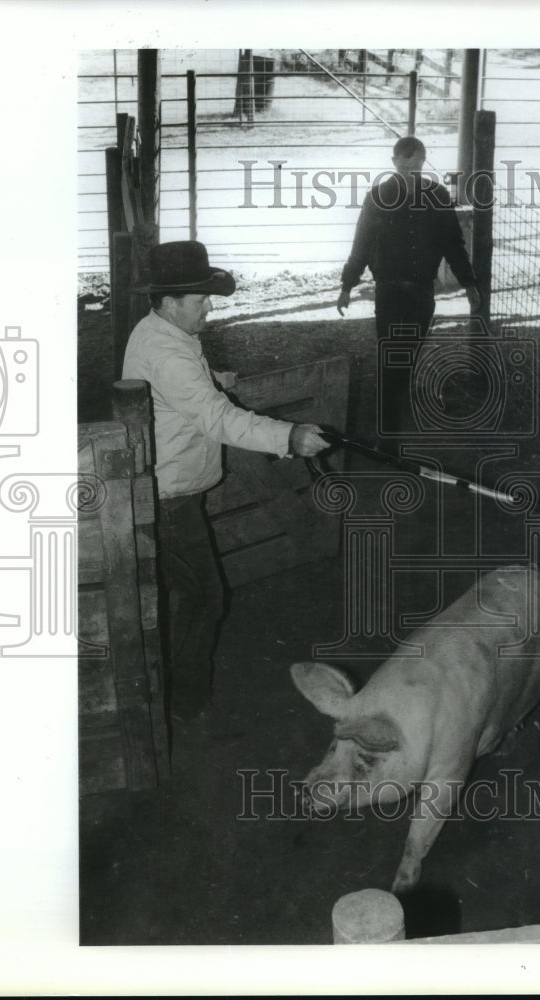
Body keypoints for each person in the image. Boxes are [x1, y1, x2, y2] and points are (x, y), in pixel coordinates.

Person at [123, 240, 329, 727]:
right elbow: (217, 420)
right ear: (171, 302)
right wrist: (289, 436)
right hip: (168, 498)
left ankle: (173, 692)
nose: (210, 308)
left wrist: (213, 376)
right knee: (203, 598)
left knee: (190, 596)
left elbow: (182, 384)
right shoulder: (168, 351)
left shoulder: (159, 332)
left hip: (171, 490)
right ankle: (184, 704)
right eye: (201, 301)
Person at [336, 136, 482, 439]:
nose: (409, 173)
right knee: (391, 354)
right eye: (404, 166)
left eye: (415, 167)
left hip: (421, 293)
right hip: (388, 291)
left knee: (410, 352)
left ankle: (395, 403)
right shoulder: (377, 197)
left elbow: (453, 243)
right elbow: (361, 244)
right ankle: (388, 426)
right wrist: (347, 285)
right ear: (394, 163)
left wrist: (468, 283)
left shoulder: (438, 196)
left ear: (423, 164)